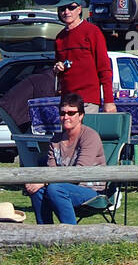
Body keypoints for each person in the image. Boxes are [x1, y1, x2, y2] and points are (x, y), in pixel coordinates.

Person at [24, 91, 106, 223]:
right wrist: (40, 183)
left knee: (55, 188)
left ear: (81, 116)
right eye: (62, 113)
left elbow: (79, 173)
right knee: (37, 190)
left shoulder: (89, 136)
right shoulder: (55, 139)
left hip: (91, 191)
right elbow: (51, 170)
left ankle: (70, 236)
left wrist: (44, 182)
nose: (66, 117)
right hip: (60, 186)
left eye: (71, 113)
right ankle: (46, 235)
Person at [53, 0, 116, 114]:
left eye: (71, 7)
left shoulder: (92, 32)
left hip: (88, 101)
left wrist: (109, 101)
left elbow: (104, 69)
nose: (67, 12)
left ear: (79, 9)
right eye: (62, 9)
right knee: (69, 134)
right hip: (67, 102)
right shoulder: (59, 38)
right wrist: (57, 68)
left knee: (87, 133)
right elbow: (59, 70)